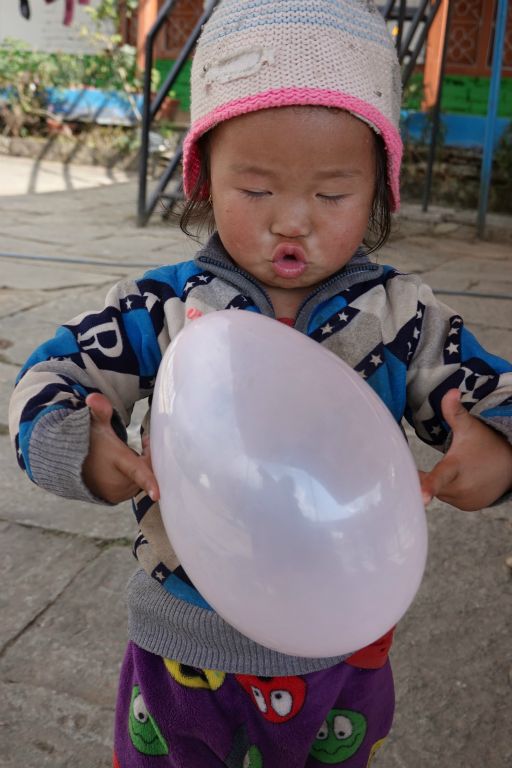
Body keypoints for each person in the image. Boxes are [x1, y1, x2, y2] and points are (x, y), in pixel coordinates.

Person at [9, 1, 512, 766]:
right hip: (184, 636)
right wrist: (78, 443)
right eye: (256, 189)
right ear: (205, 178)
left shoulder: (400, 316)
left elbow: (484, 390)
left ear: (379, 187)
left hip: (341, 642)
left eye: (333, 194)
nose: (292, 222)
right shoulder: (163, 307)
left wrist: (496, 445)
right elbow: (52, 374)